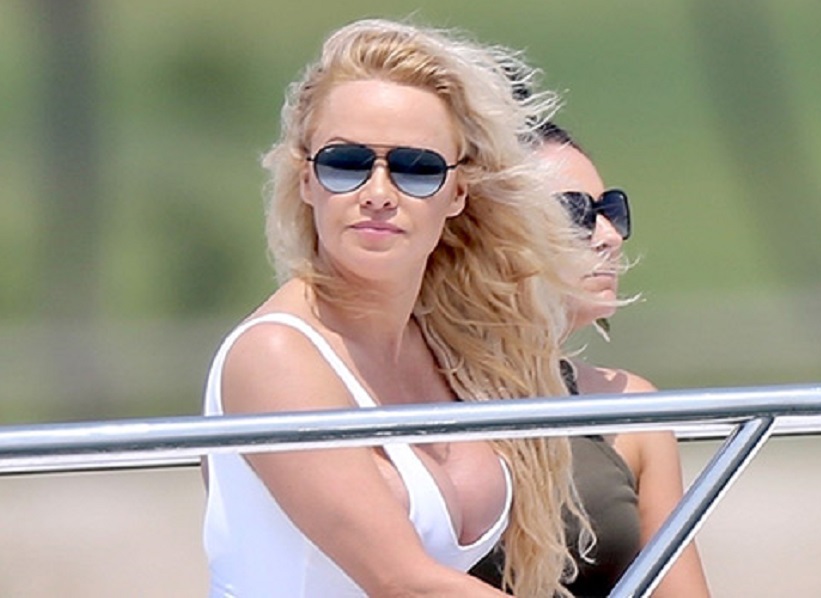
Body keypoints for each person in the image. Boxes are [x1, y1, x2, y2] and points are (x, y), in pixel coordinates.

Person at [201, 19, 600, 597]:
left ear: (458, 192)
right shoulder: (276, 354)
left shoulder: (456, 346)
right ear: (306, 179)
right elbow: (404, 583)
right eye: (346, 163)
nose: (378, 193)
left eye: (417, 168)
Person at [471, 123, 712, 597]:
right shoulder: (404, 396)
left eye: (610, 210)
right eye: (575, 212)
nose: (609, 236)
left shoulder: (630, 408)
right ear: (489, 230)